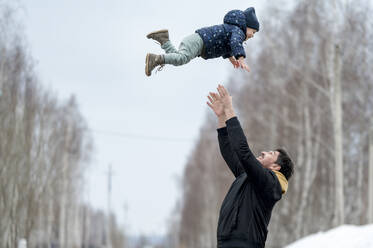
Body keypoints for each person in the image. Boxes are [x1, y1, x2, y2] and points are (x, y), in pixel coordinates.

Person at [207, 84, 294, 248]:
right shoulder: (249, 177)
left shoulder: (270, 183)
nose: (263, 152)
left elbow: (243, 152)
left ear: (276, 167)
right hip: (226, 244)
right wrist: (221, 116)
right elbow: (229, 152)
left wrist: (230, 110)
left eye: (270, 154)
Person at [145, 7, 259, 76]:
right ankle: (156, 59)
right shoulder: (238, 31)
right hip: (199, 42)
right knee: (181, 59)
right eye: (253, 31)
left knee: (178, 56)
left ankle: (164, 39)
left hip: (198, 42)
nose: (252, 35)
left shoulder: (233, 30)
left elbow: (227, 45)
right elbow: (235, 43)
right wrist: (241, 59)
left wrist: (231, 58)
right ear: (246, 25)